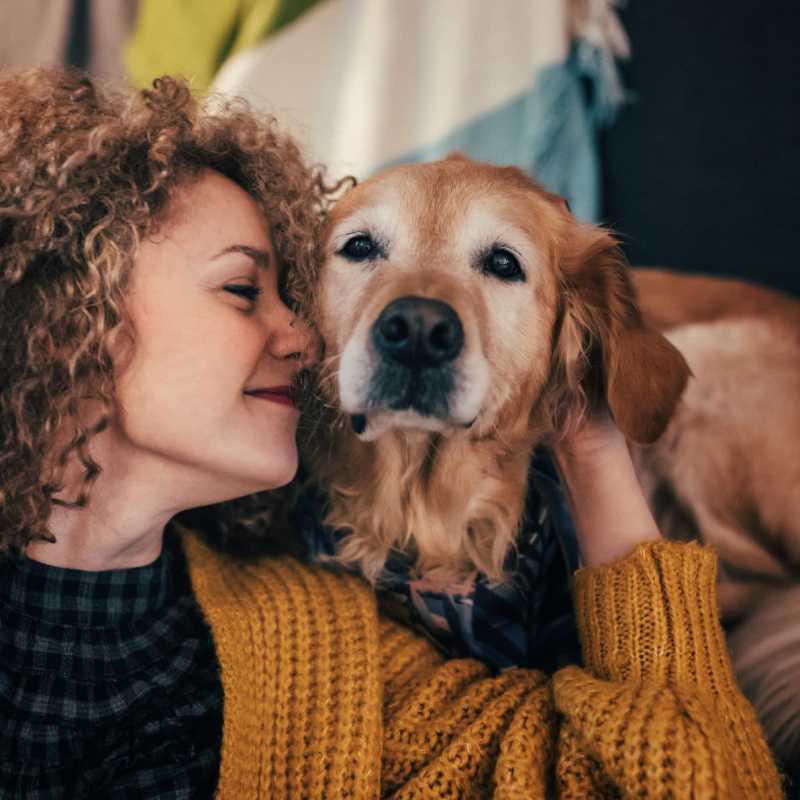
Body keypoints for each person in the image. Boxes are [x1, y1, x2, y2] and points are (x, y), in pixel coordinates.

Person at [0, 67, 784, 799]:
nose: (306, 337)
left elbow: (697, 775)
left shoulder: (330, 654)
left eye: (499, 265)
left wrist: (591, 438)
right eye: (244, 289)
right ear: (64, 319)